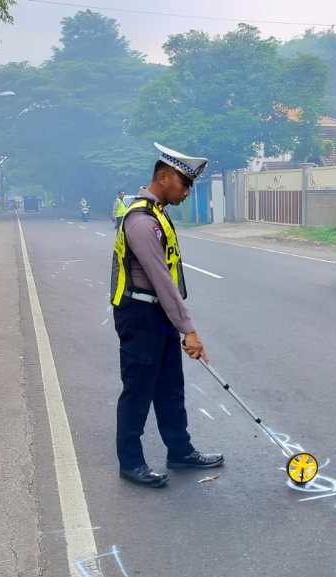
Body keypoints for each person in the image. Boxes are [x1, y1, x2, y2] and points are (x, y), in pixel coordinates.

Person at [109, 143, 223, 488]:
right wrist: (188, 329)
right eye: (184, 183)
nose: (187, 192)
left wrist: (177, 325)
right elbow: (161, 280)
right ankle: (130, 462)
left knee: (170, 387)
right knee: (138, 390)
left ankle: (180, 451)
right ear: (163, 176)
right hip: (140, 315)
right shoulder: (141, 221)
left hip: (157, 315)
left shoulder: (157, 214)